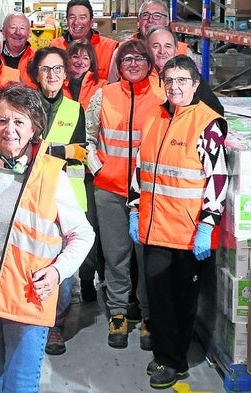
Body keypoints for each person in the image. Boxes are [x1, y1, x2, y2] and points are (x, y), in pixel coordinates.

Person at [0, 83, 94, 392]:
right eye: (2, 120)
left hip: (26, 304)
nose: (10, 129)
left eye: (19, 121)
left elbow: (82, 234)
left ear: (35, 128)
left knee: (19, 388)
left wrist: (58, 271)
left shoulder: (51, 175)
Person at [128, 55, 228, 389]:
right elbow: (140, 168)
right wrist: (133, 208)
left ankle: (174, 361)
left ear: (195, 85)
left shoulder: (207, 123)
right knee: (159, 299)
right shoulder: (153, 117)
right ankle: (166, 356)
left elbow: (217, 177)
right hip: (155, 228)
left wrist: (208, 223)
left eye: (182, 80)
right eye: (169, 80)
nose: (174, 86)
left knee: (183, 300)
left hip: (188, 233)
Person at [85, 39, 163, 351]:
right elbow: (88, 137)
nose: (132, 64)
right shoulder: (103, 95)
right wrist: (98, 169)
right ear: (119, 65)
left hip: (147, 194)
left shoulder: (161, 96)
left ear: (149, 63)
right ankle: (117, 312)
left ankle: (147, 315)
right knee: (116, 255)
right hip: (109, 190)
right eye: (127, 59)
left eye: (139, 58)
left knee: (147, 257)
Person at [27, 46, 90, 356]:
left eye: (57, 70)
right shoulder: (24, 105)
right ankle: (30, 316)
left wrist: (54, 151)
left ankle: (55, 324)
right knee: (32, 257)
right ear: (36, 74)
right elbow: (22, 147)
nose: (51, 75)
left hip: (63, 195)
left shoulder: (75, 109)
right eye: (45, 69)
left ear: (66, 75)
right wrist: (61, 150)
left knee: (62, 265)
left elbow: (81, 152)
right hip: (30, 193)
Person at [63, 39, 108, 303]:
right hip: (61, 170)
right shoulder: (59, 86)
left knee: (87, 226)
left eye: (85, 58)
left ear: (92, 62)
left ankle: (87, 278)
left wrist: (97, 165)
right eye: (74, 57)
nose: (79, 62)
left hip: (90, 173)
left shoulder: (102, 89)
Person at [146, 25, 224, 116]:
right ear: (147, 50)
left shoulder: (191, 77)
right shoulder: (139, 78)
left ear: (175, 50)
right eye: (156, 46)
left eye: (168, 46)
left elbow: (215, 111)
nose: (162, 51)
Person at [50, 0, 118, 80]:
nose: (76, 22)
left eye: (82, 17)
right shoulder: (55, 46)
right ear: (67, 21)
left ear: (91, 22)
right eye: (72, 17)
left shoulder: (111, 48)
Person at [0, 12, 36, 87]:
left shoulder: (37, 59)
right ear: (3, 32)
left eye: (22, 28)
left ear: (29, 33)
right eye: (13, 27)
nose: (18, 32)